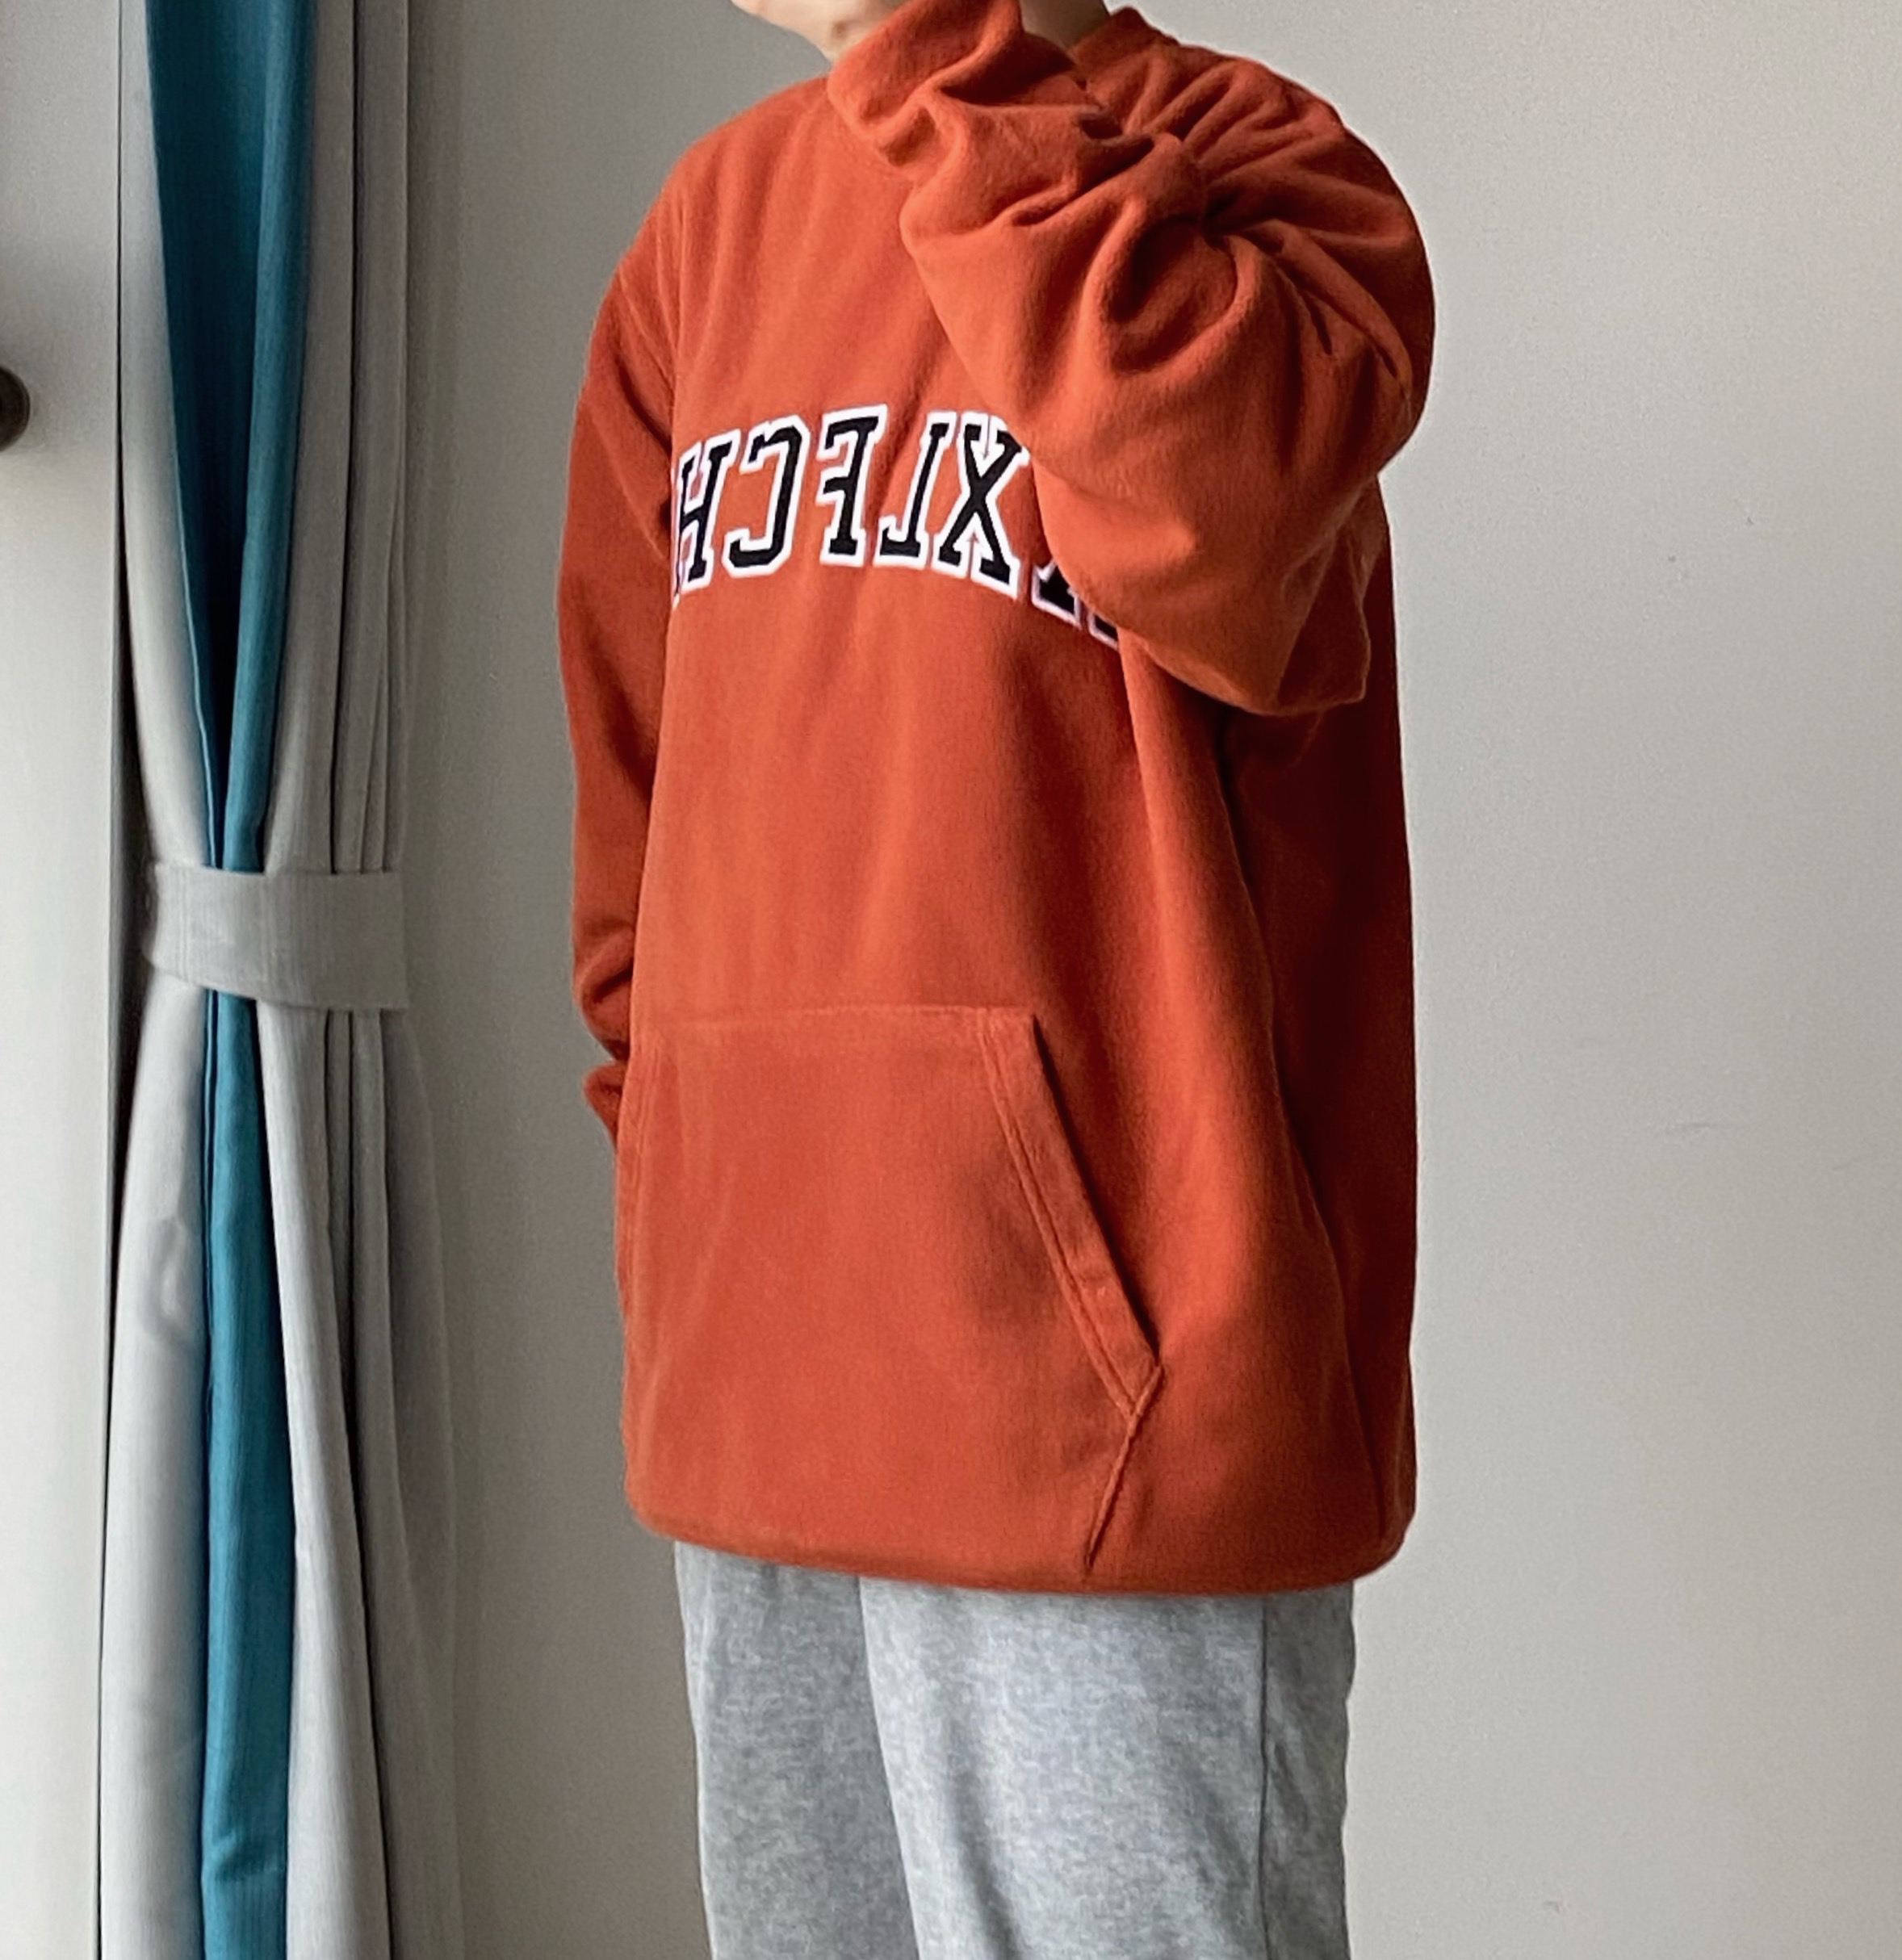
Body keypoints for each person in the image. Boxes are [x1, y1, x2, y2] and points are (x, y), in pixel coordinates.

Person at [555, 0, 1435, 1950]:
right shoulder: (704, 230)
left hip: (1107, 1414)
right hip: (758, 1355)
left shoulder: (1269, 178)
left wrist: (922, 48)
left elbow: (1213, 527)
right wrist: (680, 1177)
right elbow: (636, 790)